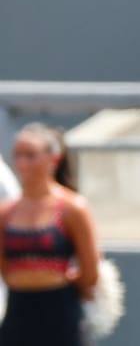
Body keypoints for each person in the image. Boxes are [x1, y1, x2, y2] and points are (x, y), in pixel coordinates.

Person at [0, 123, 100, 346]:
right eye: (18, 156)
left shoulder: (73, 208)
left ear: (53, 159)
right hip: (18, 312)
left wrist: (58, 283)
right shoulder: (6, 212)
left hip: (61, 313)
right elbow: (4, 267)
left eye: (30, 155)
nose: (22, 163)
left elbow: (90, 272)